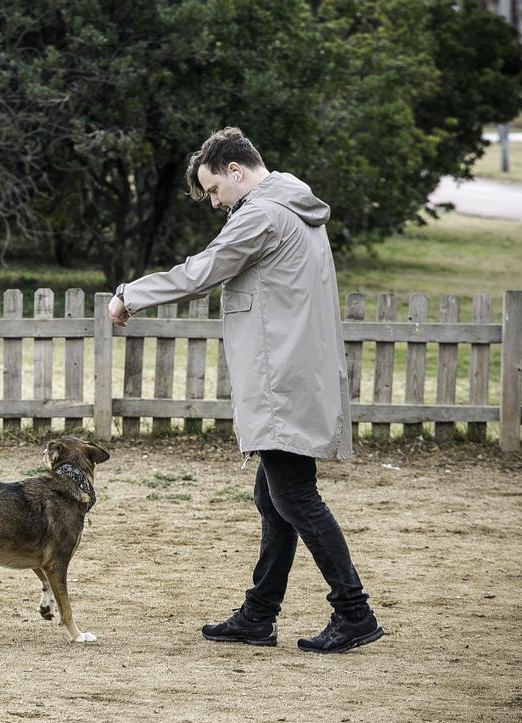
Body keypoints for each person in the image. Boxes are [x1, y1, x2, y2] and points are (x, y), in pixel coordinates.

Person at [108, 126, 383, 654]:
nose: (214, 202)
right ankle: (259, 615)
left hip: (282, 378)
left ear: (236, 170)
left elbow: (204, 269)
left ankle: (354, 612)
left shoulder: (263, 214)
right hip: (295, 372)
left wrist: (130, 294)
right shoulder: (294, 207)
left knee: (294, 496)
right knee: (274, 496)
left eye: (214, 189)